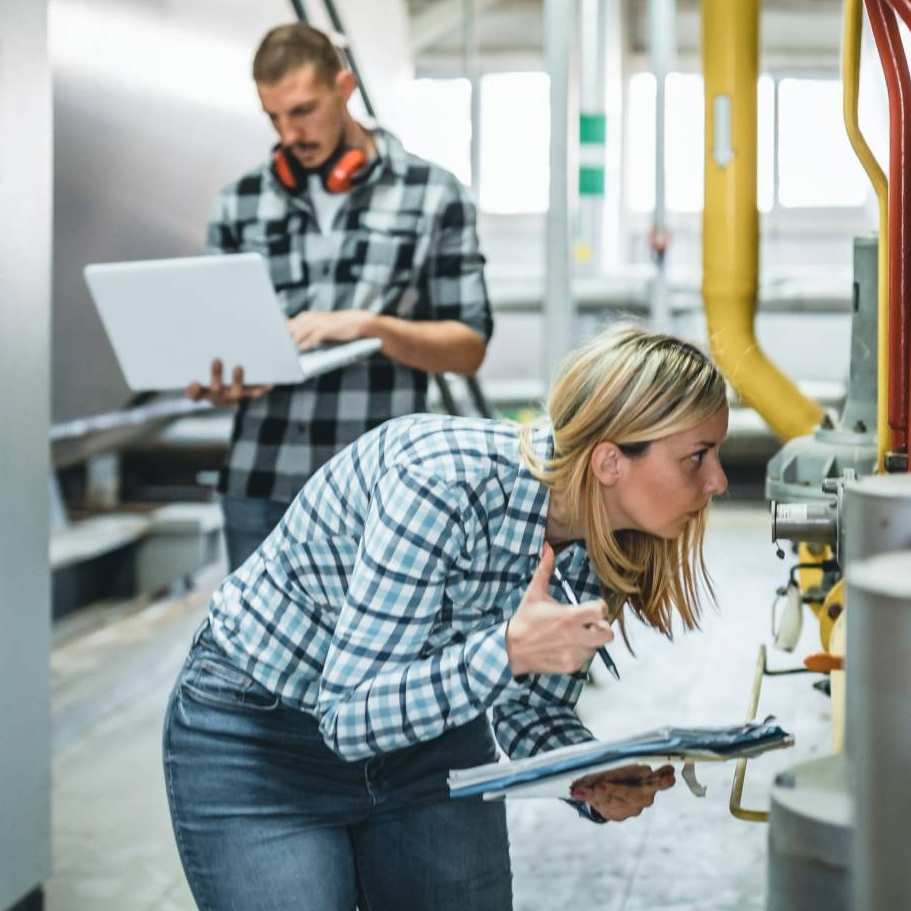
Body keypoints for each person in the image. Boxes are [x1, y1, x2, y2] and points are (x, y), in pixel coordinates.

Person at [163, 324, 730, 911]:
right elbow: (347, 718)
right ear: (611, 461)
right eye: (697, 457)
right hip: (263, 739)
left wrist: (587, 773)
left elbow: (530, 707)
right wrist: (507, 651)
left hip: (425, 739)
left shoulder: (602, 537)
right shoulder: (441, 482)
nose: (718, 481)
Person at [186, 23, 492, 571]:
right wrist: (220, 382)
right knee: (257, 661)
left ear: (344, 87)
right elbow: (218, 348)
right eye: (273, 118)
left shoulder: (432, 195)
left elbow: (467, 347)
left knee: (377, 659)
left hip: (378, 494)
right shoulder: (241, 202)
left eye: (302, 111)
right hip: (260, 488)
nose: (289, 133)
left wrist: (369, 326)